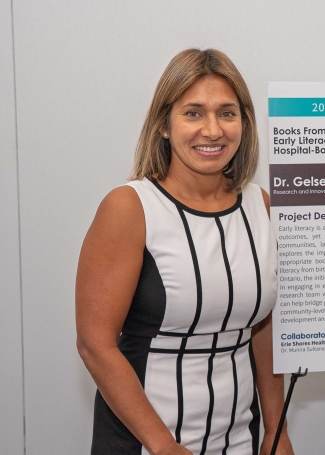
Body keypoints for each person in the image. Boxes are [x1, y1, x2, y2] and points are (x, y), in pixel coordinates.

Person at [76, 49, 294, 455]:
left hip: (238, 437)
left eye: (227, 113)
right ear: (163, 124)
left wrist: (275, 429)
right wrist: (162, 446)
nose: (212, 130)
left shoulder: (261, 206)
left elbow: (263, 328)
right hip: (146, 442)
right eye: (193, 113)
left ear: (244, 123)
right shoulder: (129, 208)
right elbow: (95, 345)